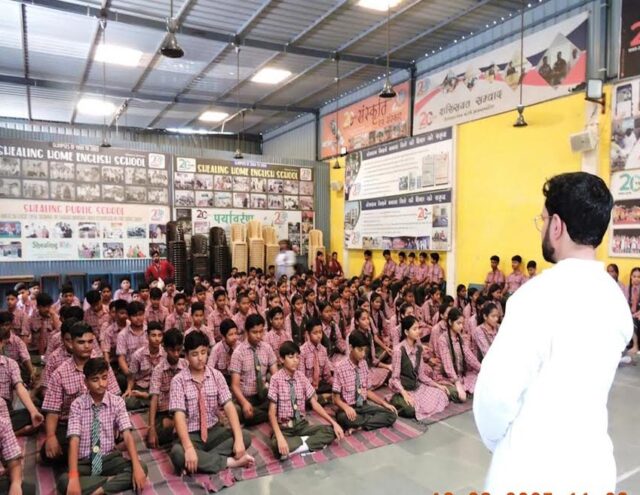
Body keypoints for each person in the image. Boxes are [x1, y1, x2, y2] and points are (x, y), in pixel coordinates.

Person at [474, 172, 633, 493]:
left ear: (557, 225)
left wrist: (500, 444)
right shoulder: (615, 300)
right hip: (592, 469)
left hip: (531, 470)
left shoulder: (534, 298)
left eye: (543, 220)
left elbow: (494, 398)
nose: (543, 228)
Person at [57, 358, 148, 495]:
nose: (101, 384)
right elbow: (74, 440)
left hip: (109, 458)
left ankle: (100, 490)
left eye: (104, 378)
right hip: (86, 462)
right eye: (95, 379)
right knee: (64, 481)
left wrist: (136, 466)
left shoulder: (117, 402)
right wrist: (74, 477)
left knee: (142, 467)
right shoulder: (77, 405)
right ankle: (111, 481)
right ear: (86, 382)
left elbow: (127, 434)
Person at [169, 331, 254, 475]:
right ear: (187, 356)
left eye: (203, 352)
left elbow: (229, 406)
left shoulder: (216, 375)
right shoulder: (178, 381)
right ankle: (229, 462)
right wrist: (188, 448)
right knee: (178, 453)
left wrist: (239, 440)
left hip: (214, 431)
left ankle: (200, 461)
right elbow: (179, 416)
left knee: (245, 436)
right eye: (195, 354)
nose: (200, 358)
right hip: (191, 435)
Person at [268, 341, 343, 460]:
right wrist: (280, 437)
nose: (295, 360)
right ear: (281, 359)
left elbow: (315, 404)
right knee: (276, 445)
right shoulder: (275, 379)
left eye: (297, 357)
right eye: (291, 357)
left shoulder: (301, 377)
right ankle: (307, 444)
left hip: (301, 425)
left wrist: (334, 423)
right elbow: (271, 413)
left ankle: (297, 448)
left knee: (330, 431)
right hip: (285, 428)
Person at [332, 330, 397, 433]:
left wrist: (384, 404)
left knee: (391, 414)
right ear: (351, 347)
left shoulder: (364, 364)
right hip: (348, 408)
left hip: (363, 405)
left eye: (365, 350)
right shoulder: (340, 368)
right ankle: (366, 421)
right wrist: (346, 408)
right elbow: (336, 399)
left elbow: (367, 391)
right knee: (343, 418)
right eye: (360, 350)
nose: (363, 354)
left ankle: (359, 426)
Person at [389, 316, 449, 420]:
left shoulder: (418, 348)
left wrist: (437, 385)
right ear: (406, 332)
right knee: (410, 409)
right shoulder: (398, 350)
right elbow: (395, 378)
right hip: (403, 389)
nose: (418, 331)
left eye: (418, 328)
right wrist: (404, 394)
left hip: (416, 387)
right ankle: (397, 400)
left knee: (442, 394)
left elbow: (421, 375)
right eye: (414, 329)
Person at [229, 314, 278, 426]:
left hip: (263, 395)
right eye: (254, 332)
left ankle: (264, 413)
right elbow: (235, 386)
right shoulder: (238, 353)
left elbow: (276, 376)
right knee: (238, 411)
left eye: (261, 331)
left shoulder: (267, 348)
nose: (258, 335)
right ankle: (270, 414)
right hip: (246, 397)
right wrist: (244, 403)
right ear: (247, 332)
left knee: (283, 399)